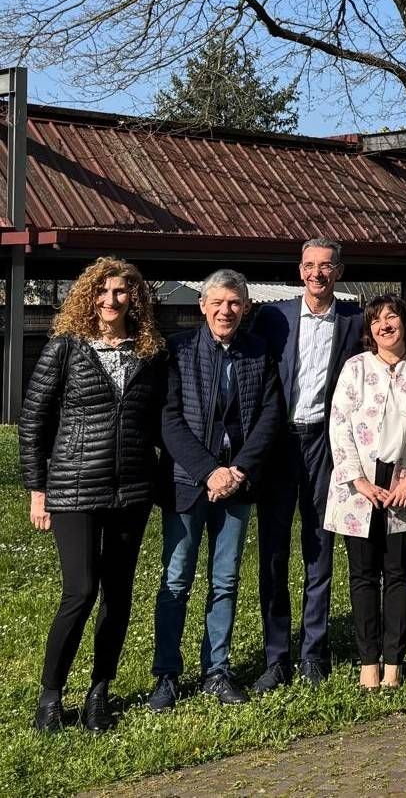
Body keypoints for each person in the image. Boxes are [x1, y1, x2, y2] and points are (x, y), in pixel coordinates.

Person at [20, 258, 167, 732]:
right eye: (102, 292)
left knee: (117, 595)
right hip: (74, 488)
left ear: (134, 298)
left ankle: (99, 691)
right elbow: (33, 421)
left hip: (131, 491)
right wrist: (37, 489)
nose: (111, 300)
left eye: (121, 292)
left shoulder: (149, 352)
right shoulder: (65, 347)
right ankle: (50, 696)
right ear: (88, 296)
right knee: (80, 591)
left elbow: (159, 419)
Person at [152, 269, 285, 711]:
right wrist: (210, 472)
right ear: (202, 306)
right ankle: (166, 674)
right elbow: (169, 420)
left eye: (234, 303)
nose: (226, 311)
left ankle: (217, 670)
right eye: (218, 302)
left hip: (238, 486)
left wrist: (239, 470)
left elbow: (269, 416)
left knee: (225, 580)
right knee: (176, 579)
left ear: (245, 307)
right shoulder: (178, 350)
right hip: (187, 484)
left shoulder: (258, 352)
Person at [250, 238, 364, 692]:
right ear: (300, 271)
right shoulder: (273, 318)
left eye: (326, 266)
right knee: (274, 552)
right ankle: (276, 657)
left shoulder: (355, 321)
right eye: (310, 266)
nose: (318, 273)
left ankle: (314, 652)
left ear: (339, 272)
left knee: (319, 547)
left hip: (325, 443)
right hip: (279, 443)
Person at [325, 295, 406, 689]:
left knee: (397, 573)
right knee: (362, 574)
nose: (384, 325)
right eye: (376, 320)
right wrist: (358, 480)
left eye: (392, 317)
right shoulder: (355, 368)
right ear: (369, 329)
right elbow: (339, 424)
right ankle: (368, 661)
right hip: (359, 484)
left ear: (405, 323)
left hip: (404, 482)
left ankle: (393, 661)